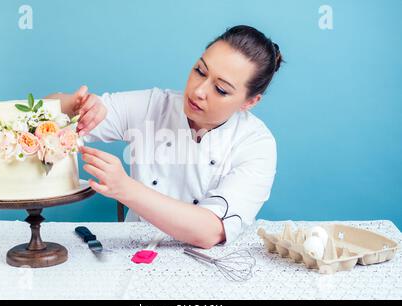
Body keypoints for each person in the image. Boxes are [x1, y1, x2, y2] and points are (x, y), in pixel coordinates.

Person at [46, 25, 283, 249]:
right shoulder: (154, 105)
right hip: (134, 251)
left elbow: (211, 231)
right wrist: (77, 106)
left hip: (209, 263)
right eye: (200, 71)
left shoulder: (256, 143)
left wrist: (124, 188)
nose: (199, 91)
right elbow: (46, 112)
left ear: (250, 102)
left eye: (220, 89)